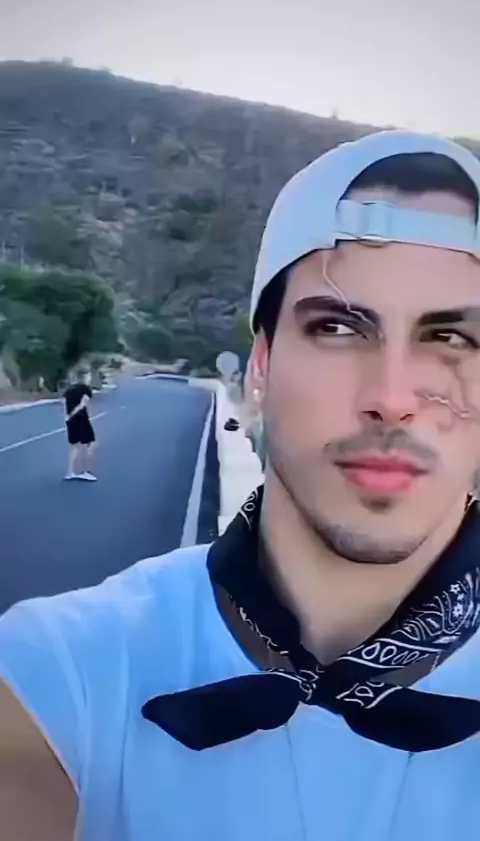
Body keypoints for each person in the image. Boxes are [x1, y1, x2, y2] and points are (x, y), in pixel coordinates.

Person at [2, 130, 480, 840]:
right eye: (339, 328)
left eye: (452, 339)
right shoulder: (62, 669)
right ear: (260, 366)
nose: (391, 397)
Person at [63, 377, 97, 482]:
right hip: (81, 419)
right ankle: (84, 472)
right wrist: (74, 412)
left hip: (70, 421)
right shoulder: (86, 390)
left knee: (74, 446)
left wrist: (68, 417)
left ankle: (69, 472)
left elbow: (64, 406)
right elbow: (82, 405)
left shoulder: (68, 392)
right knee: (86, 445)